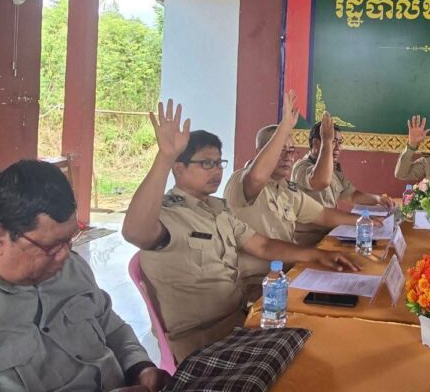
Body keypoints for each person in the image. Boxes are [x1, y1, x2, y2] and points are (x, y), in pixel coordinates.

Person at [122, 99, 358, 362]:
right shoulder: (169, 214)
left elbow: (263, 245)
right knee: (306, 358)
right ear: (179, 168)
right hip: (203, 342)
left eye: (218, 163)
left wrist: (318, 255)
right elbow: (135, 232)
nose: (216, 171)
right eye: (206, 164)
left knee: (321, 339)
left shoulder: (218, 210)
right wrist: (164, 158)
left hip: (240, 321)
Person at [0, 160, 170, 392]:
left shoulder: (73, 268)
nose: (65, 255)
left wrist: (140, 368)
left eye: (70, 240)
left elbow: (112, 326)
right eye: (52, 246)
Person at [224, 91, 373, 295]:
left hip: (290, 271)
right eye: (281, 150)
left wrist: (367, 221)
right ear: (261, 152)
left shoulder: (286, 188)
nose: (288, 156)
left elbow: (323, 214)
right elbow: (257, 178)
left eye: (291, 150)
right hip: (258, 283)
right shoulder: (241, 182)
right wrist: (285, 125)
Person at [291, 111, 395, 246]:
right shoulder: (301, 167)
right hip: (311, 240)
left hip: (331, 232)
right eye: (333, 141)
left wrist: (377, 199)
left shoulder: (333, 168)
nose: (337, 148)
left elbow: (351, 195)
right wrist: (327, 142)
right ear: (315, 143)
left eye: (339, 142)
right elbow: (321, 181)